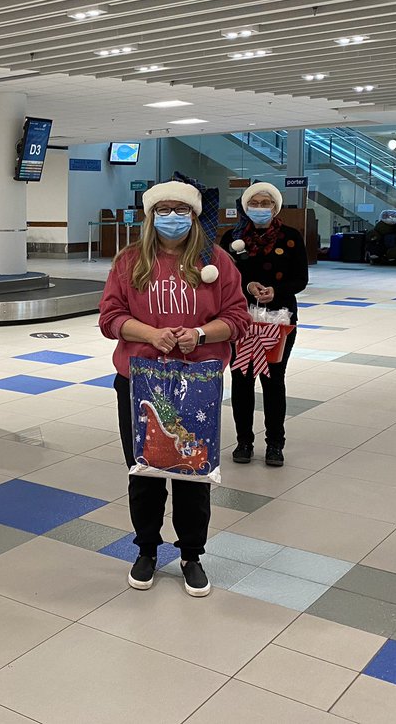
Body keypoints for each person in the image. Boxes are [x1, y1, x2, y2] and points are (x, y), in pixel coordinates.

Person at [99, 175, 249, 596]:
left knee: (191, 472)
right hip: (139, 383)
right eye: (162, 211)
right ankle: (147, 549)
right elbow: (110, 316)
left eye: (180, 210)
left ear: (195, 216)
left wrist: (199, 335)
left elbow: (238, 318)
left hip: (196, 384)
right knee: (144, 471)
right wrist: (150, 334)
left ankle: (191, 554)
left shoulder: (216, 261)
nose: (171, 218)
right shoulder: (130, 261)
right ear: (149, 217)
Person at [222, 182, 309, 467]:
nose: (260, 208)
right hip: (240, 319)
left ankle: (275, 444)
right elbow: (224, 278)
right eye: (254, 203)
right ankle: (243, 441)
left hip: (279, 319)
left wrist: (276, 291)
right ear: (245, 207)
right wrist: (248, 286)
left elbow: (301, 279)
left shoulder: (291, 237)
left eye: (265, 203)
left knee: (273, 380)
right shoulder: (231, 238)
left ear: (275, 207)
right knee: (241, 380)